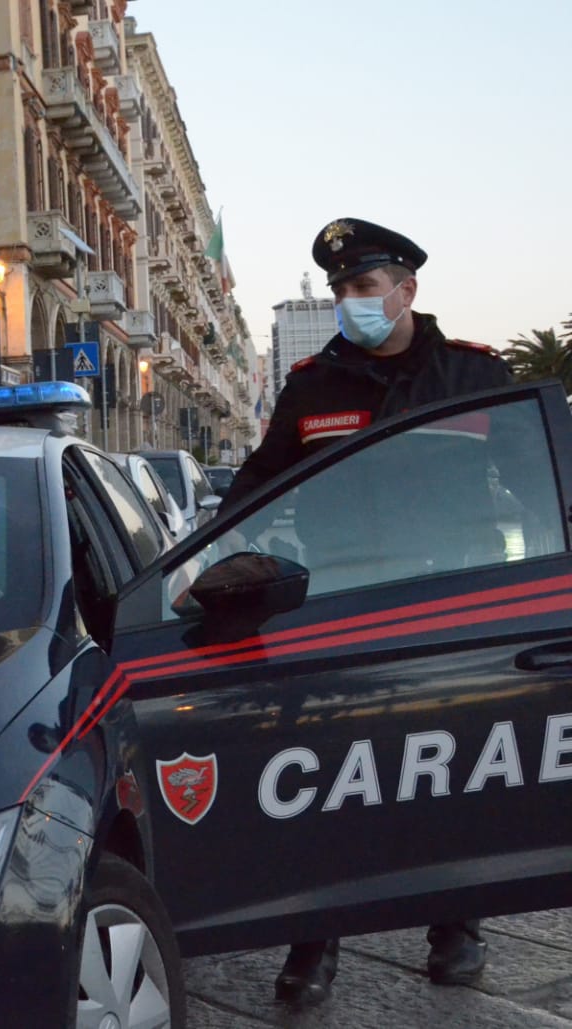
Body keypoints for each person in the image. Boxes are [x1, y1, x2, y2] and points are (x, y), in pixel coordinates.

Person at [224, 219, 510, 1006]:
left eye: (365, 286)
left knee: (454, 773)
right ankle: (315, 941)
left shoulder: (475, 376)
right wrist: (202, 559)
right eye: (343, 288)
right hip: (343, 617)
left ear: (406, 290)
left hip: (451, 614)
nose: (352, 301)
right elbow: (259, 481)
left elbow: (533, 480)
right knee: (331, 782)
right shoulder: (313, 384)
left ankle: (457, 926)